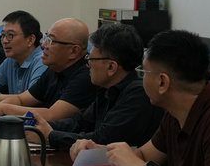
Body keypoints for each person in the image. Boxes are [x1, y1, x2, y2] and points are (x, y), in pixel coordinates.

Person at [104, 29, 210, 166]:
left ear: (162, 82)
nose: (141, 79)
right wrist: (100, 153)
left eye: (143, 73)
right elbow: (144, 156)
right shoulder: (176, 111)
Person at [34, 22, 162, 154]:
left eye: (91, 59)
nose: (88, 65)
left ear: (111, 67)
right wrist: (40, 127)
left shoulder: (138, 94)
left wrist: (50, 135)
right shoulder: (106, 89)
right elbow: (80, 122)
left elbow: (103, 139)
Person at [0, 17, 93, 123]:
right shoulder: (54, 69)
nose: (44, 45)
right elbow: (21, 99)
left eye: (51, 41)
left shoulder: (85, 76)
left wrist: (4, 109)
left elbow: (52, 115)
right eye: (46, 38)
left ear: (74, 51)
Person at [0, 10, 48, 97]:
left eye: (10, 35)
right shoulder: (11, 60)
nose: (4, 41)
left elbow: (29, 99)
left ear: (30, 40)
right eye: (3, 35)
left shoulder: (42, 61)